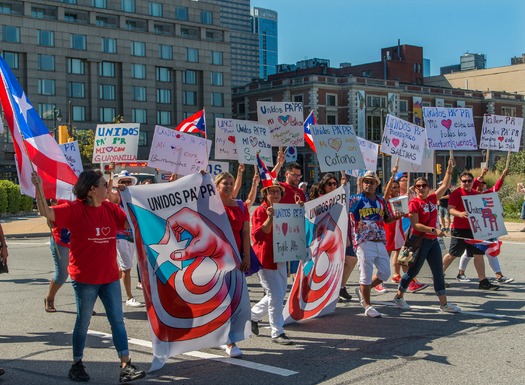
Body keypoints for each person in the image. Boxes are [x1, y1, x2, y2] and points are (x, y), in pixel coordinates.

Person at [31, 170, 146, 383]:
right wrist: (38, 190)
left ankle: (125, 364)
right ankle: (77, 364)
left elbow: (132, 223)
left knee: (118, 321)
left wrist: (128, 197)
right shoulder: (74, 209)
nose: (108, 187)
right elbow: (47, 213)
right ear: (92, 190)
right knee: (83, 322)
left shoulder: (110, 209)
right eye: (104, 184)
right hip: (84, 279)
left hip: (110, 277)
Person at [393, 159, 461, 313]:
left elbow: (444, 186)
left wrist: (449, 170)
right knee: (413, 271)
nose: (422, 188)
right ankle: (398, 296)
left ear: (428, 188)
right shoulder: (414, 203)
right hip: (420, 241)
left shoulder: (431, 199)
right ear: (415, 189)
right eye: (418, 186)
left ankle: (444, 304)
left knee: (438, 272)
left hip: (432, 242)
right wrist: (433, 230)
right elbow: (416, 225)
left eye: (424, 186)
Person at [442, 169, 508, 290]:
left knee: (479, 254)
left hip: (475, 229)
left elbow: (492, 190)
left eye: (469, 181)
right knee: (453, 254)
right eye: (464, 181)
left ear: (472, 182)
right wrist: (460, 214)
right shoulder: (456, 193)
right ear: (460, 182)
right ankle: (439, 276)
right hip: (460, 229)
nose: (466, 183)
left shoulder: (475, 193)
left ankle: (483, 281)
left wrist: (502, 177)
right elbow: (450, 209)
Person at [349, 171, 403, 318]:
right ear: (362, 183)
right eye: (366, 181)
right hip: (363, 241)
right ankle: (367, 305)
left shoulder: (381, 201)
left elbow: (386, 219)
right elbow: (342, 210)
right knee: (365, 275)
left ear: (376, 184)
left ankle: (362, 291)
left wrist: (396, 217)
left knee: (385, 273)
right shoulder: (355, 200)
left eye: (372, 182)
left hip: (380, 241)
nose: (369, 184)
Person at [214, 171, 253, 357]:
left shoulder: (240, 206)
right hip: (215, 261)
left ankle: (230, 340)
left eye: (231, 183)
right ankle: (225, 339)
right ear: (217, 186)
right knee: (220, 302)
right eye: (225, 183)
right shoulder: (210, 206)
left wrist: (246, 256)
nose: (229, 186)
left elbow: (245, 233)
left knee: (235, 301)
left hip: (236, 261)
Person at [250, 180, 293, 344]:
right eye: (271, 191)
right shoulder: (260, 211)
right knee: (276, 296)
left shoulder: (284, 210)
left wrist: (299, 210)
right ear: (265, 194)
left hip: (281, 257)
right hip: (266, 259)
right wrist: (269, 218)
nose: (274, 194)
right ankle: (277, 332)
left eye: (277, 192)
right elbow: (259, 236)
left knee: (278, 294)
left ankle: (253, 316)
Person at [456, 173, 513, 284]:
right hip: (471, 228)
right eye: (478, 184)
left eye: (483, 184)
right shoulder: (470, 195)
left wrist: (502, 177)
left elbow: (496, 188)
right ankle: (461, 273)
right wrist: (481, 174)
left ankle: (499, 275)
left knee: (489, 250)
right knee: (468, 253)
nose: (481, 187)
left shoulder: (486, 195)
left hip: (485, 229)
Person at [384, 170, 428, 294]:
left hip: (399, 232)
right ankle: (378, 283)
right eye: (393, 187)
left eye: (397, 187)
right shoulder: (385, 201)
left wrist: (414, 216)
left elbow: (405, 214)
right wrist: (392, 175)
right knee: (384, 259)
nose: (396, 189)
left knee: (404, 257)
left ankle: (411, 282)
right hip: (388, 232)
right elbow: (386, 195)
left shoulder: (398, 200)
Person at [316, 173, 357, 302]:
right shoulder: (321, 200)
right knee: (331, 265)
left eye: (335, 184)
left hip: (343, 234)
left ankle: (341, 286)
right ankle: (330, 292)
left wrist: (344, 186)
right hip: (329, 237)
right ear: (324, 186)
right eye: (330, 184)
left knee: (351, 259)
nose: (333, 186)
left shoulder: (340, 197)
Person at [110, 170, 143, 308]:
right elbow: (109, 196)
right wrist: (111, 173)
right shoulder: (118, 196)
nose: (126, 184)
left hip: (135, 235)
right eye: (123, 181)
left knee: (124, 268)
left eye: (128, 181)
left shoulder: (135, 196)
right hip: (122, 236)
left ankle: (106, 286)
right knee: (127, 267)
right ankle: (129, 297)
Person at [44, 199, 71, 313]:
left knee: (81, 274)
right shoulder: (58, 199)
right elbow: (50, 222)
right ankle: (49, 298)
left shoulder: (82, 197)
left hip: (79, 241)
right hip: (61, 241)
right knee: (62, 275)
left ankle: (84, 304)